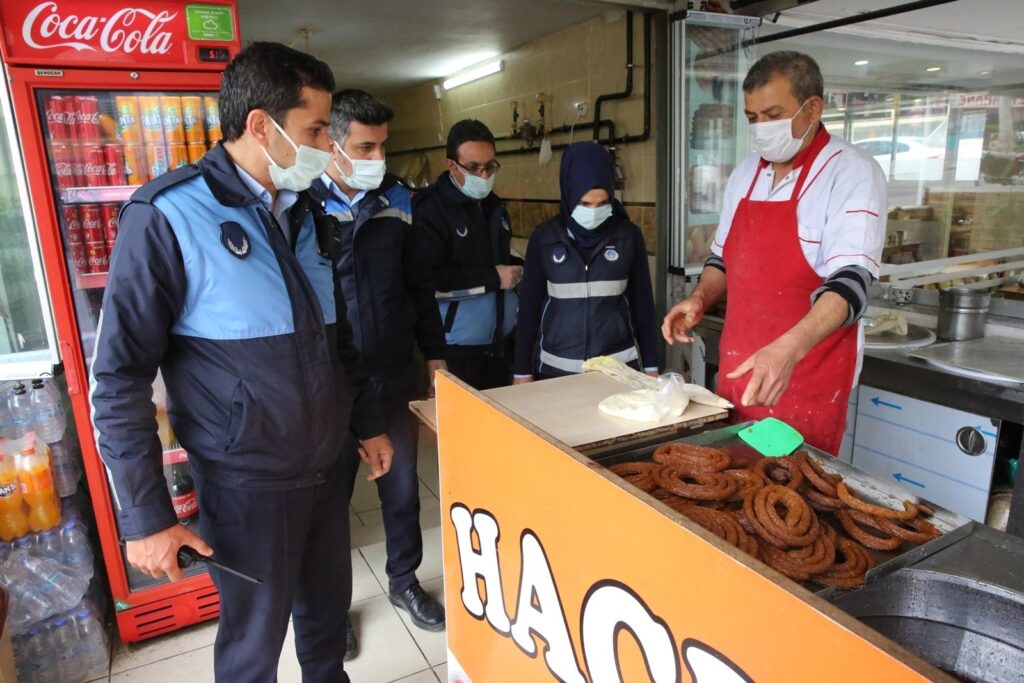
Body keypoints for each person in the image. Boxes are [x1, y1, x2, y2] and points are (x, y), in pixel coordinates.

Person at [90, 43, 394, 682]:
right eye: (315, 130)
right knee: (252, 650)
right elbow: (119, 378)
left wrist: (366, 422)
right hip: (247, 483)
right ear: (262, 125)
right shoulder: (170, 214)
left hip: (325, 467)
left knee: (324, 632)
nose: (326, 145)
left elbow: (337, 341)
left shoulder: (309, 215)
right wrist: (145, 517)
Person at [662, 51, 886, 455]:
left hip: (804, 379)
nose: (761, 129)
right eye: (752, 118)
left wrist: (788, 351)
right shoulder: (747, 173)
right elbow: (721, 260)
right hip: (739, 370)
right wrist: (700, 297)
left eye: (773, 114)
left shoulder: (851, 172)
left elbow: (852, 285)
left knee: (791, 502)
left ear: (812, 107)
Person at [311, 89, 447, 656]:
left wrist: (435, 355)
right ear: (334, 145)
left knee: (400, 490)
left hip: (393, 373)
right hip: (332, 385)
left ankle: (404, 582)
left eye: (382, 146)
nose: (377, 157)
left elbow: (418, 287)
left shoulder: (397, 201)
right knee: (330, 503)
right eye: (365, 146)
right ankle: (330, 607)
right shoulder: (302, 204)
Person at [513, 142, 658, 382]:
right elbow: (528, 309)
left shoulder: (627, 237)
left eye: (602, 204)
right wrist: (521, 371)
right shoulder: (545, 239)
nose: (594, 212)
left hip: (618, 370)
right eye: (585, 204)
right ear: (569, 196)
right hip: (555, 372)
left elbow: (643, 306)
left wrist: (652, 367)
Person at [414, 119, 523, 389]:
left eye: (490, 166)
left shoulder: (494, 207)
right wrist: (494, 278)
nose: (484, 176)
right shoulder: (430, 210)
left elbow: (491, 258)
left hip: (499, 344)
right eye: (474, 168)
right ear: (452, 165)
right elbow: (429, 278)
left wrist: (518, 267)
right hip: (455, 349)